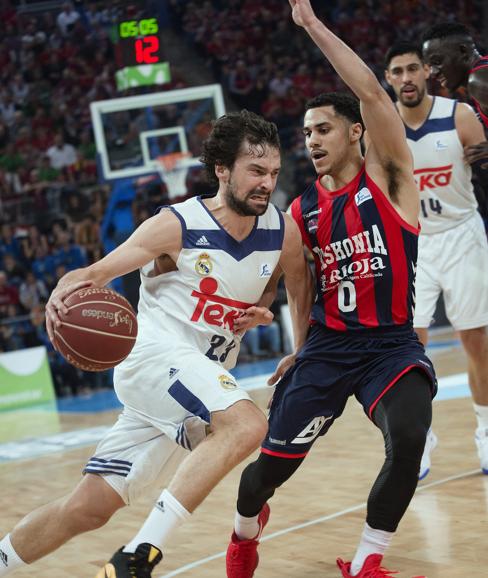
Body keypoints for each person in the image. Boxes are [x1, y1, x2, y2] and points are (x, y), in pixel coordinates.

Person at [0, 110, 312, 577]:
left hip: (194, 385)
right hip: (155, 360)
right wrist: (62, 293)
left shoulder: (280, 230)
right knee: (247, 426)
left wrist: (285, 331)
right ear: (222, 169)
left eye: (272, 172)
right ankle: (139, 555)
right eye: (255, 171)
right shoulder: (176, 225)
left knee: (87, 508)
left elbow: (292, 282)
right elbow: (96, 272)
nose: (266, 183)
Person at [225, 2, 437, 578]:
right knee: (264, 475)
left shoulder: (391, 176)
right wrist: (298, 344)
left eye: (323, 129)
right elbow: (299, 282)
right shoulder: (300, 210)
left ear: (355, 132)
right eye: (307, 133)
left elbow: (370, 90)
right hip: (327, 350)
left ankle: (367, 561)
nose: (312, 140)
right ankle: (245, 531)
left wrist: (310, 24)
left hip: (389, 347)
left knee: (411, 437)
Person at [384, 41, 488, 479]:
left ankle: (485, 432)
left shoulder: (459, 115)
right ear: (387, 79)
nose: (406, 78)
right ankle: (418, 438)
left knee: (477, 342)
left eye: (412, 69)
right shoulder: (381, 126)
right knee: (409, 349)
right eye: (397, 71)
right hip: (413, 244)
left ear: (426, 71)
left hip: (462, 233)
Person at [422, 22, 488, 156]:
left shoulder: (478, 81)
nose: (433, 72)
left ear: (463, 51)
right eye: (430, 65)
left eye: (438, 62)